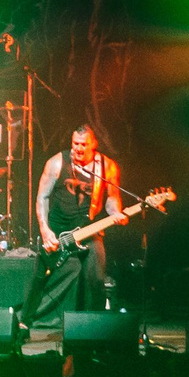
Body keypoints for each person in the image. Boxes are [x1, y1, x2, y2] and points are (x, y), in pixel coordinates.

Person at [19, 124, 124, 336]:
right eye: (75, 143)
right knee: (40, 278)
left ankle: (92, 331)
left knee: (95, 279)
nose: (78, 149)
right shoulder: (57, 162)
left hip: (89, 231)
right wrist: (45, 230)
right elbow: (42, 197)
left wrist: (116, 213)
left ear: (93, 145)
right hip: (58, 232)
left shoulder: (107, 167)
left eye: (83, 145)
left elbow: (112, 198)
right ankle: (23, 324)